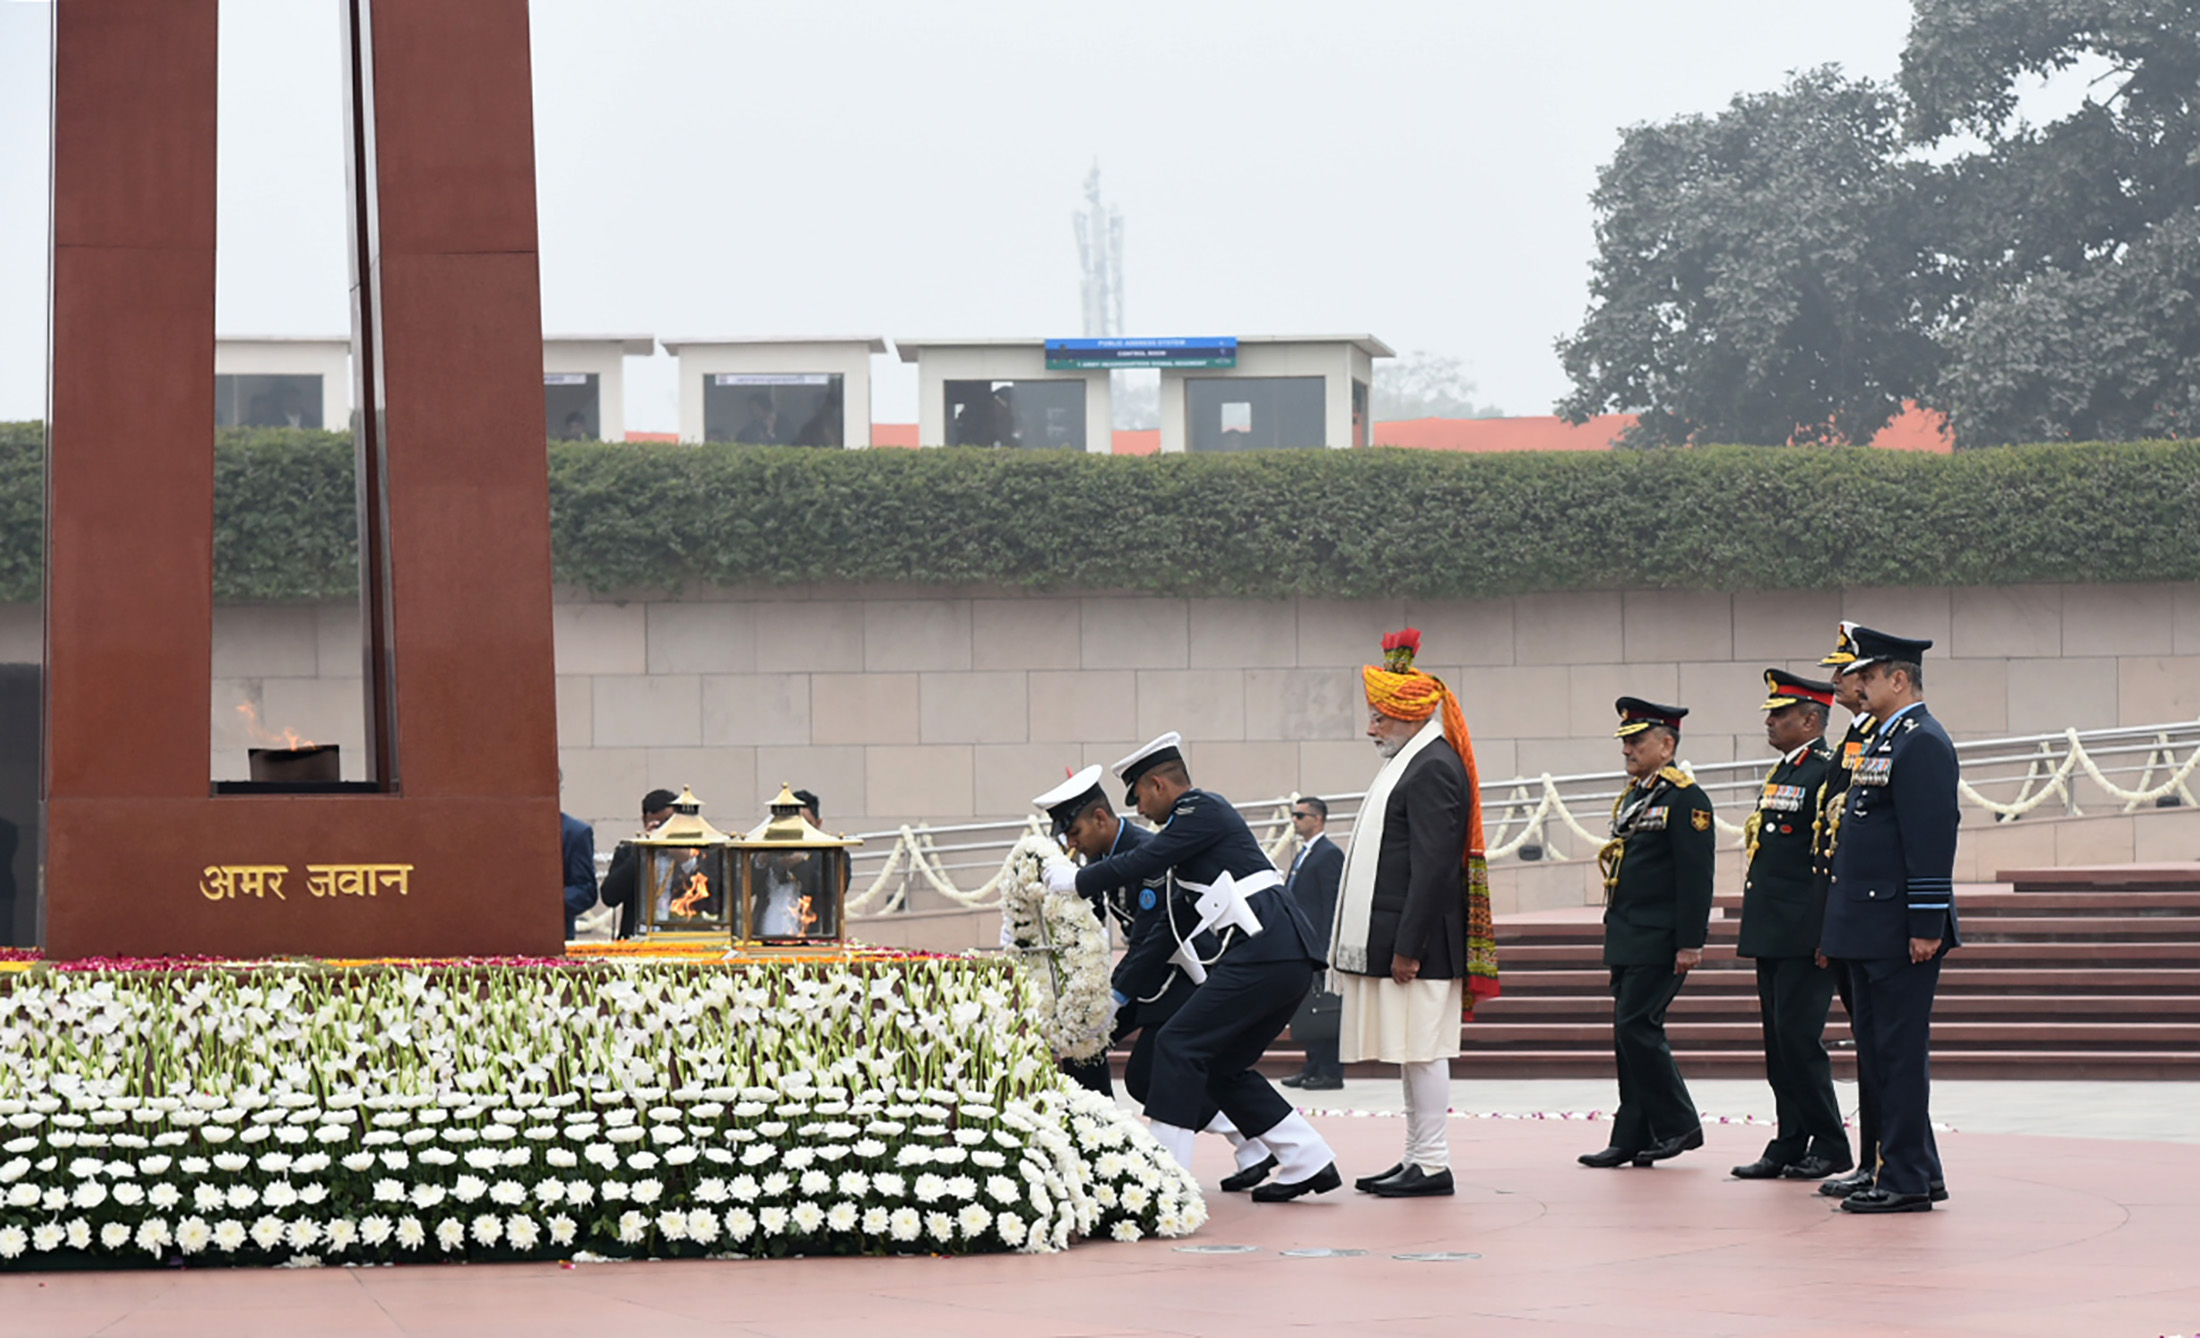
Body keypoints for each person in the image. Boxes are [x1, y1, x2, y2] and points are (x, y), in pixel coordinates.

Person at [1050, 732, 1341, 1201]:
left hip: (1268, 948)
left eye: (1141, 795)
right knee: (1223, 1067)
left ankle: (1164, 1182)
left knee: (1178, 1045)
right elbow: (1172, 920)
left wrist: (1078, 880)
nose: (1140, 810)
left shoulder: (1200, 810)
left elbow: (1147, 857)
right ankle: (1307, 1158)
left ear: (1160, 785)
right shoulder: (1190, 842)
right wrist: (1117, 995)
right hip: (1272, 952)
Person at [1331, 628, 1502, 1198]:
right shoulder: (1413, 759)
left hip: (1423, 945)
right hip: (1413, 941)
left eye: (1378, 717)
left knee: (1424, 1053)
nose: (1370, 728)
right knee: (1411, 1053)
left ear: (1406, 716)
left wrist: (1409, 946)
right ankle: (1416, 1158)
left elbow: (1433, 869)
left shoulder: (1430, 766)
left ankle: (1432, 1163)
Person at [1823, 626, 1961, 1214]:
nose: (1858, 685)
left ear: (1898, 679)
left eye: (1869, 675)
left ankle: (1903, 1178)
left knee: (1899, 1055)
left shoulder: (1921, 741)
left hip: (1901, 926)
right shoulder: (1883, 738)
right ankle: (1904, 1166)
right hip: (1868, 924)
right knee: (1878, 1053)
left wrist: (1926, 923)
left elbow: (1930, 839)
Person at [1580, 698, 1714, 1170]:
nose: (1628, 750)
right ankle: (1632, 1135)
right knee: (1627, 1035)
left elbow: (1696, 877)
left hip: (1660, 937)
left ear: (1667, 743)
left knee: (1638, 1027)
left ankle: (1678, 1123)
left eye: (1637, 741)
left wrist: (1689, 941)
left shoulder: (1686, 798)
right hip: (1628, 933)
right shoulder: (1638, 795)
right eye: (1625, 742)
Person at [1730, 670, 1852, 1182]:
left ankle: (1830, 1143)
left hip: (1805, 931)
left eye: (1781, 714)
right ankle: (1789, 1140)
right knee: (1778, 1044)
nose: (1771, 721)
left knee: (1800, 1041)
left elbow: (1829, 856)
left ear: (1811, 719)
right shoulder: (1784, 771)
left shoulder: (1825, 771)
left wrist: (1826, 931)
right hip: (1773, 928)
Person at [1813, 628, 1887, 1202]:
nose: (1838, 683)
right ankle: (1872, 1161)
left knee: (1880, 1047)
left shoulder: (1884, 739)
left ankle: (1884, 1161)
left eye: (1848, 673)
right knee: (1867, 1046)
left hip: (1871, 914)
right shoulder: (1853, 739)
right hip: (1842, 913)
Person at [1280, 796, 1345, 1091]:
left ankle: (1330, 1071)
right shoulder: (1305, 853)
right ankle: (1312, 1067)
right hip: (1301, 944)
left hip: (1319, 946)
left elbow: (1331, 905)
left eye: (1300, 816)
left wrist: (1325, 948)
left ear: (1317, 819)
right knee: (1310, 1009)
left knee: (1326, 1008)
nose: (1294, 821)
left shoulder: (1328, 854)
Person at [598, 788, 680, 939]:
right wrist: (643, 852)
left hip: (680, 937)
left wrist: (683, 855)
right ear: (645, 820)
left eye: (669, 823)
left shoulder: (691, 852)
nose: (664, 830)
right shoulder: (629, 852)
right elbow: (610, 897)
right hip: (638, 936)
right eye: (658, 824)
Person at [560, 810, 597, 941]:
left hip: (554, 940)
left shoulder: (574, 832)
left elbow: (585, 891)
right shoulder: (497, 828)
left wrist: (545, 902)